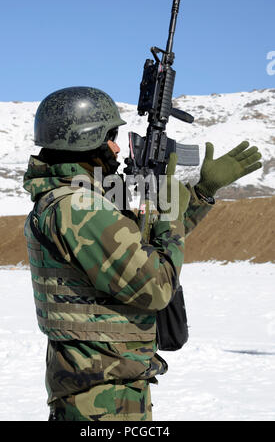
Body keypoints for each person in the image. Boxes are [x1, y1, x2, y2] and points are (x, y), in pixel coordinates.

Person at [23, 86, 262, 421]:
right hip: (103, 401)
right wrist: (169, 215)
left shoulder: (74, 201)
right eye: (110, 137)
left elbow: (140, 249)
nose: (117, 147)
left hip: (105, 389)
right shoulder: (80, 208)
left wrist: (200, 193)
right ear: (85, 140)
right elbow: (156, 286)